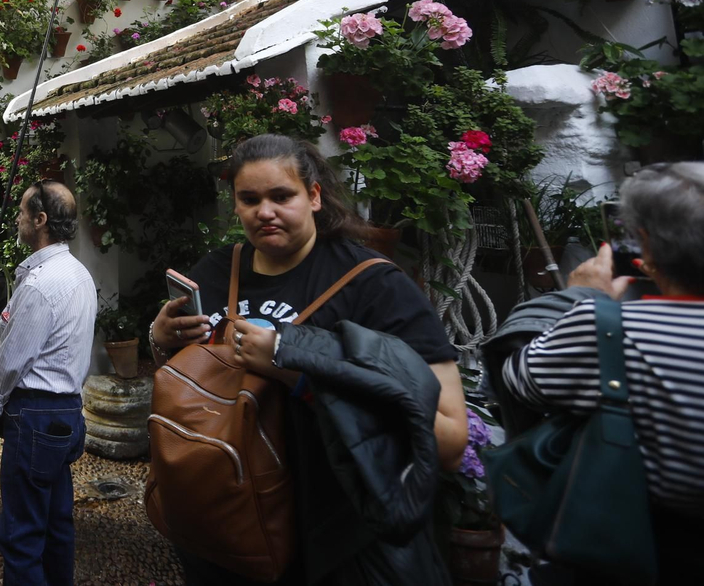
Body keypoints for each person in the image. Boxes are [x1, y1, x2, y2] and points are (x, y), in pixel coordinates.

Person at [149, 133, 466, 585]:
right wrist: (161, 340)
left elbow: (449, 440)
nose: (265, 211)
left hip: (332, 544)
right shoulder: (217, 271)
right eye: (249, 199)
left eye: (282, 196)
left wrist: (296, 368)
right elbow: (188, 381)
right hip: (225, 531)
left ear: (314, 196)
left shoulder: (375, 287)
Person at [488, 162, 704, 581]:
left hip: (630, 552)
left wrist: (581, 296)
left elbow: (517, 381)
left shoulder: (607, 327)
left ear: (644, 244)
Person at [0, 179, 96, 585]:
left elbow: (13, 360)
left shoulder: (40, 284)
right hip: (68, 411)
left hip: (35, 415)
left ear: (41, 220)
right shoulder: (80, 273)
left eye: (21, 212)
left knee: (21, 534)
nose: (16, 219)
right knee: (57, 523)